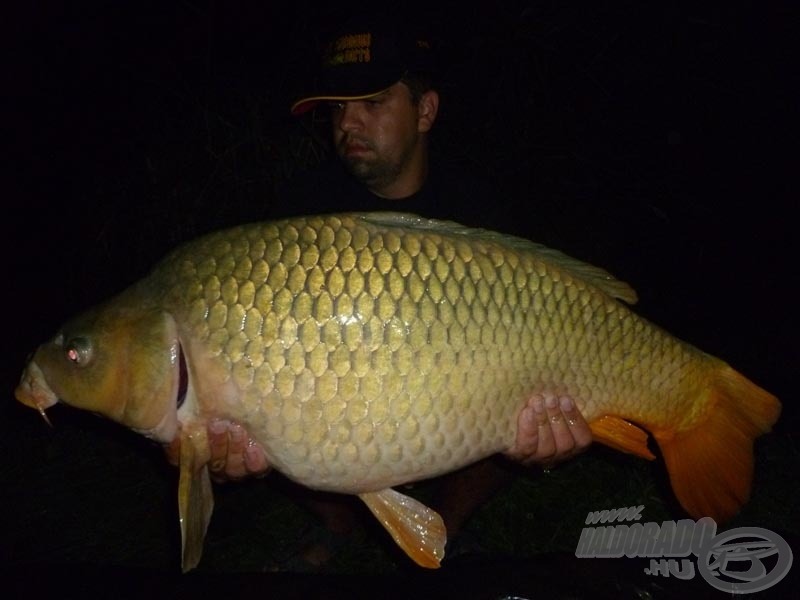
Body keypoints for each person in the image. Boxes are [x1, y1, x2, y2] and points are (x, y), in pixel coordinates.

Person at [166, 12, 592, 568]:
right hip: (339, 407)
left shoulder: (482, 214)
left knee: (511, 407)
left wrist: (547, 451)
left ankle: (449, 528)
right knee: (279, 429)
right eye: (339, 108)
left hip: (458, 408)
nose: (349, 123)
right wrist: (228, 445)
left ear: (425, 111)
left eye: (371, 103)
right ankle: (343, 527)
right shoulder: (298, 212)